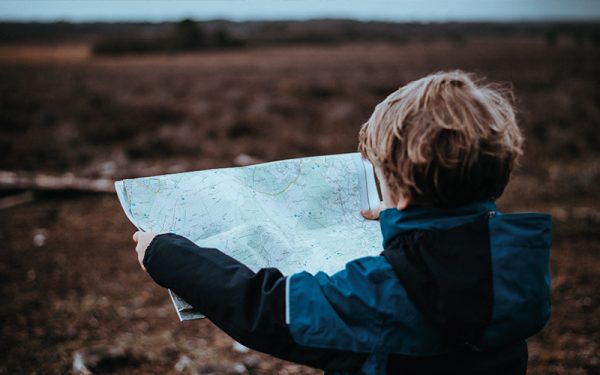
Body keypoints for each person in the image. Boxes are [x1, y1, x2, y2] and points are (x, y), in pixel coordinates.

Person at [132, 71, 552, 375]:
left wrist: (166, 254)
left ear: (401, 192)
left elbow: (268, 310)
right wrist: (401, 220)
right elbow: (452, 250)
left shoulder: (381, 293)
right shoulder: (517, 267)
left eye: (381, 178)